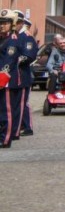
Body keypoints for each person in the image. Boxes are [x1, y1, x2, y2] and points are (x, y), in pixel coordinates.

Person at [0, 10, 21, 148]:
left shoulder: (12, 40)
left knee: (5, 111)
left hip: (5, 80)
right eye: (1, 23)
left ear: (12, 24)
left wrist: (2, 79)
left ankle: (5, 139)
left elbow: (9, 61)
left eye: (5, 23)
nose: (2, 26)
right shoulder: (2, 39)